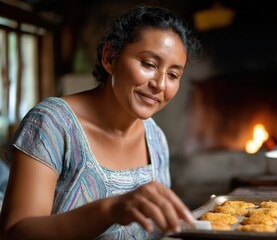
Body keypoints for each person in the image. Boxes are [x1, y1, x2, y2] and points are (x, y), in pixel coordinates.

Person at [0, 5, 201, 239]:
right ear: (110, 58)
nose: (160, 84)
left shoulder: (155, 138)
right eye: (148, 64)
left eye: (173, 75)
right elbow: (14, 233)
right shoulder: (52, 123)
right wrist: (110, 210)